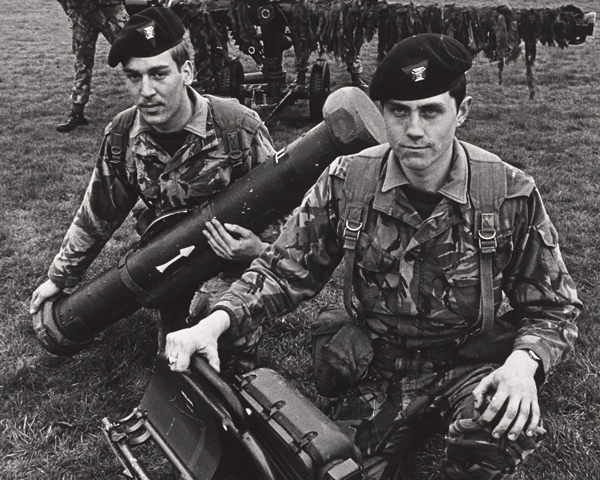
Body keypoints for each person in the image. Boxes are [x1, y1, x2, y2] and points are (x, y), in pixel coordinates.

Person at [164, 33, 582, 479]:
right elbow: (282, 270)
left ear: (463, 111)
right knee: (326, 467)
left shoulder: (507, 191)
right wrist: (213, 323)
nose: (415, 129)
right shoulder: (349, 181)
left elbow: (554, 307)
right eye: (399, 111)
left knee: (499, 430)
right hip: (380, 367)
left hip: (470, 361)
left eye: (432, 111)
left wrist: (524, 364)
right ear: (382, 115)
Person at [30, 7, 276, 359]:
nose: (146, 91)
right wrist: (60, 277)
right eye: (134, 77)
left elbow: (291, 210)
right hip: (168, 256)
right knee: (173, 343)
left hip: (231, 260)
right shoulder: (122, 134)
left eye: (159, 74)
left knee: (220, 334)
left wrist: (258, 249)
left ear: (186, 71)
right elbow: (97, 212)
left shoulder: (237, 127)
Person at [56, 0, 130, 132]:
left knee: (131, 55)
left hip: (109, 8)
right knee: (82, 62)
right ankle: (76, 113)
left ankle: (148, 101)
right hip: (80, 13)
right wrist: (69, 8)